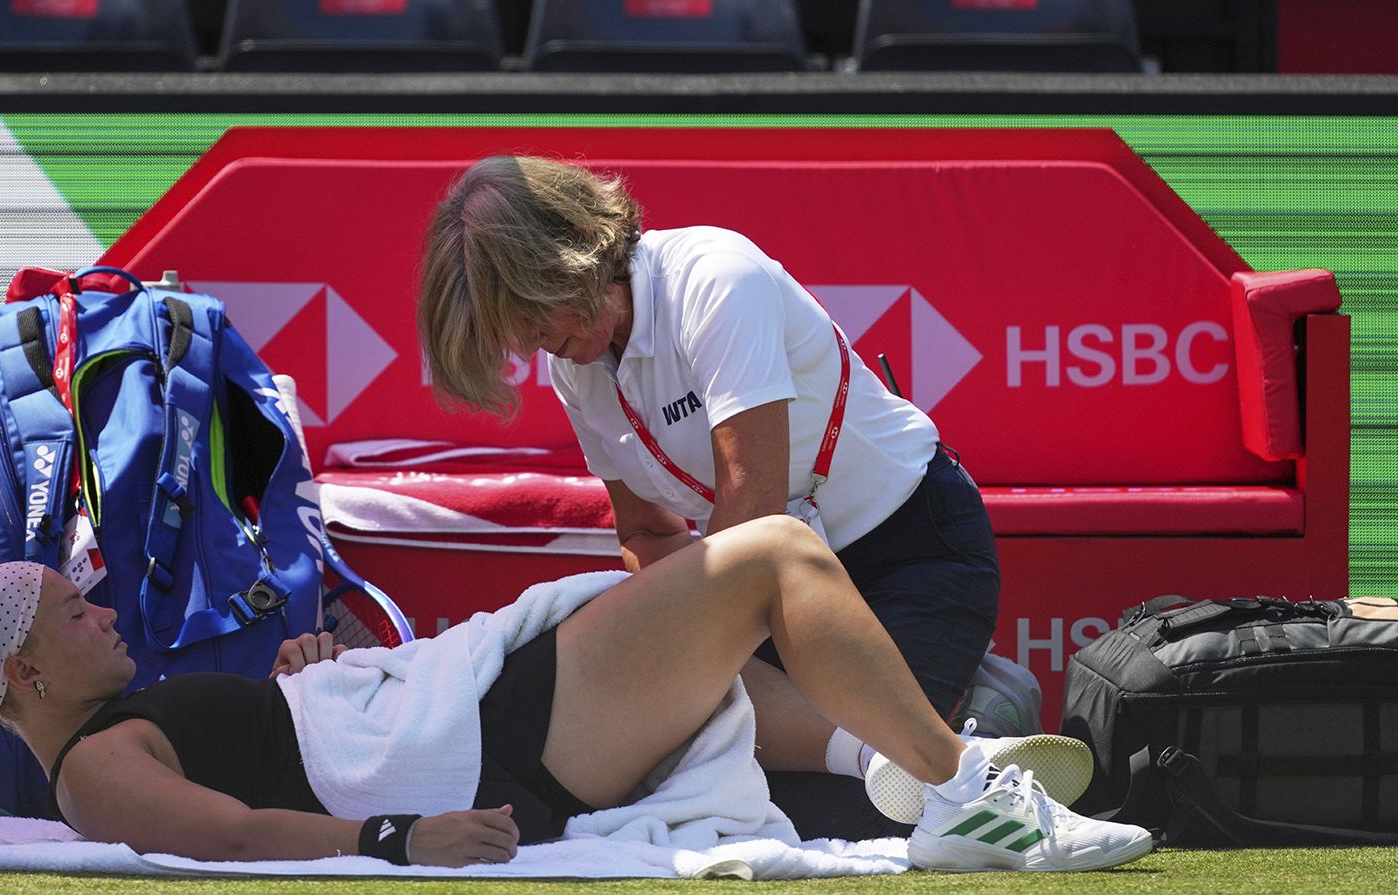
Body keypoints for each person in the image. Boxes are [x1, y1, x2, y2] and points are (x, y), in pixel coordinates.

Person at [415, 155, 1081, 840]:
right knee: (725, 798)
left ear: (570, 254)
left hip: (910, 552)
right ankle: (939, 748)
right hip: (774, 589)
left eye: (528, 314)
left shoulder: (712, 274)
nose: (530, 343)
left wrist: (701, 648)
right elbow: (644, 532)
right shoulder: (575, 367)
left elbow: (752, 503)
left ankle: (982, 712)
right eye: (513, 331)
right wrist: (677, 649)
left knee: (838, 814)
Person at [0, 531, 1153, 873]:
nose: (103, 610)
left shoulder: (128, 718)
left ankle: (904, 767)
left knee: (711, 631)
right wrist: (394, 840)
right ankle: (963, 790)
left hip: (461, 726)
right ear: (27, 676)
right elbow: (221, 837)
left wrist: (320, 684)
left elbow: (264, 769)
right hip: (480, 753)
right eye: (74, 611)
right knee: (767, 557)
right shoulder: (93, 765)